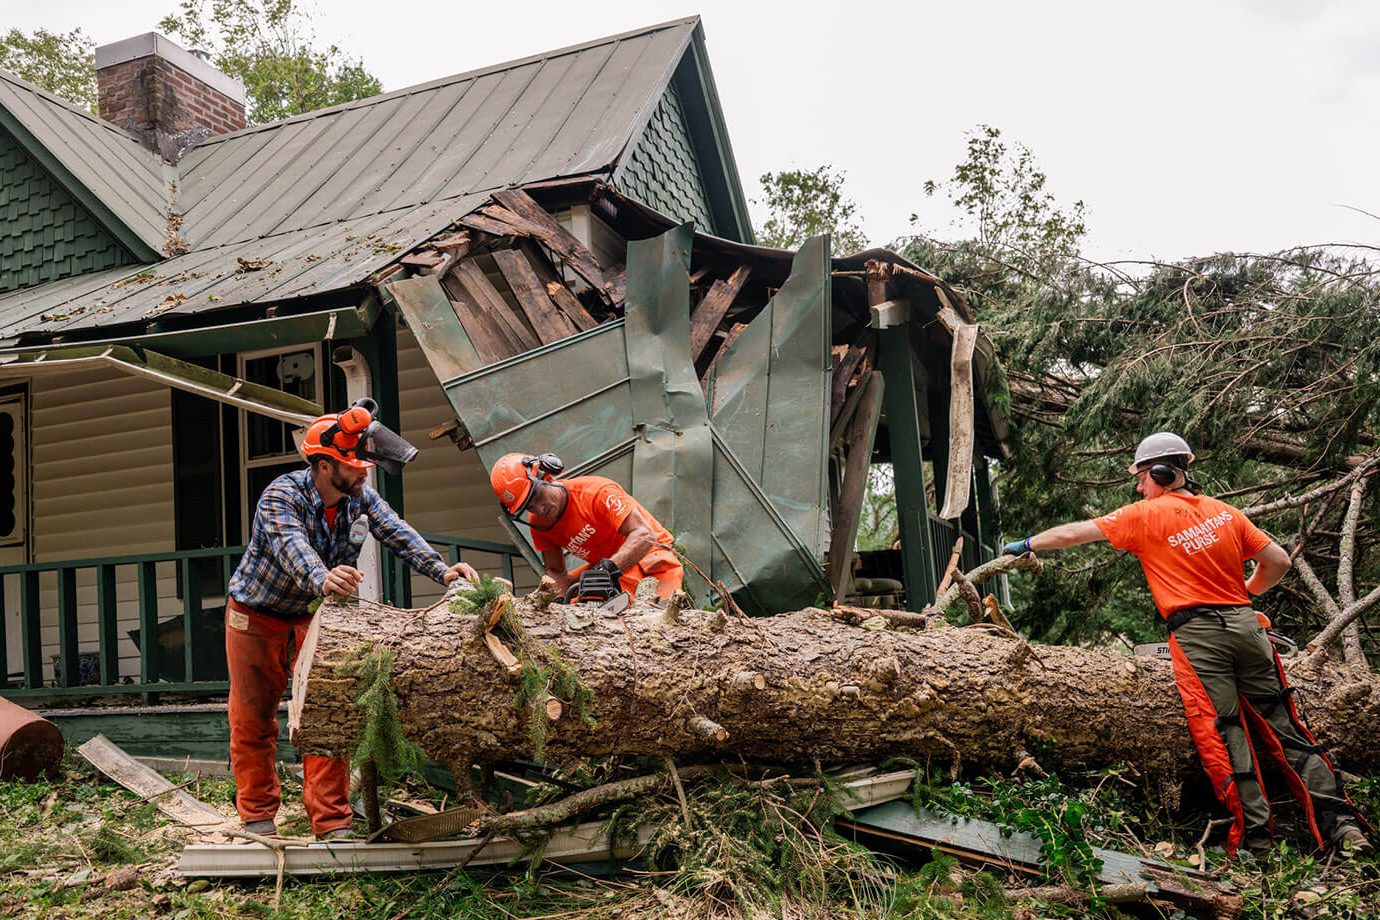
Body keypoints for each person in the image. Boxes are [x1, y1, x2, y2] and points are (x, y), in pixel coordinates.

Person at [1002, 432, 1369, 857]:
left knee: (1226, 732)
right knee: (1288, 728)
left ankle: (1255, 844)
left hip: (1198, 636)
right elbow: (1280, 562)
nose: (1139, 487)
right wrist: (1245, 593)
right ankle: (1343, 827)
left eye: (1141, 478)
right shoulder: (1225, 513)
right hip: (1247, 627)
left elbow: (1074, 534)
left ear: (1159, 473)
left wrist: (1027, 544)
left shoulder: (1143, 515)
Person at [226, 399, 478, 840]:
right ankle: (258, 817)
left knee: (329, 716)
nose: (364, 471)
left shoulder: (360, 496)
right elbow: (292, 549)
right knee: (253, 717)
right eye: (353, 464)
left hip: (317, 616)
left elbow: (397, 531)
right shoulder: (282, 495)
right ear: (324, 466)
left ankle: (332, 823)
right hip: (256, 614)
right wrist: (323, 576)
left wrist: (442, 570)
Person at [490, 452, 683, 601]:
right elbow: (556, 572)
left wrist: (608, 570)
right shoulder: (539, 523)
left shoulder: (596, 492)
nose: (539, 509)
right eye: (529, 506)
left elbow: (644, 535)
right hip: (606, 567)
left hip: (648, 556)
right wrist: (557, 602)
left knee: (649, 616)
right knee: (577, 606)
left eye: (538, 496)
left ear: (546, 476)